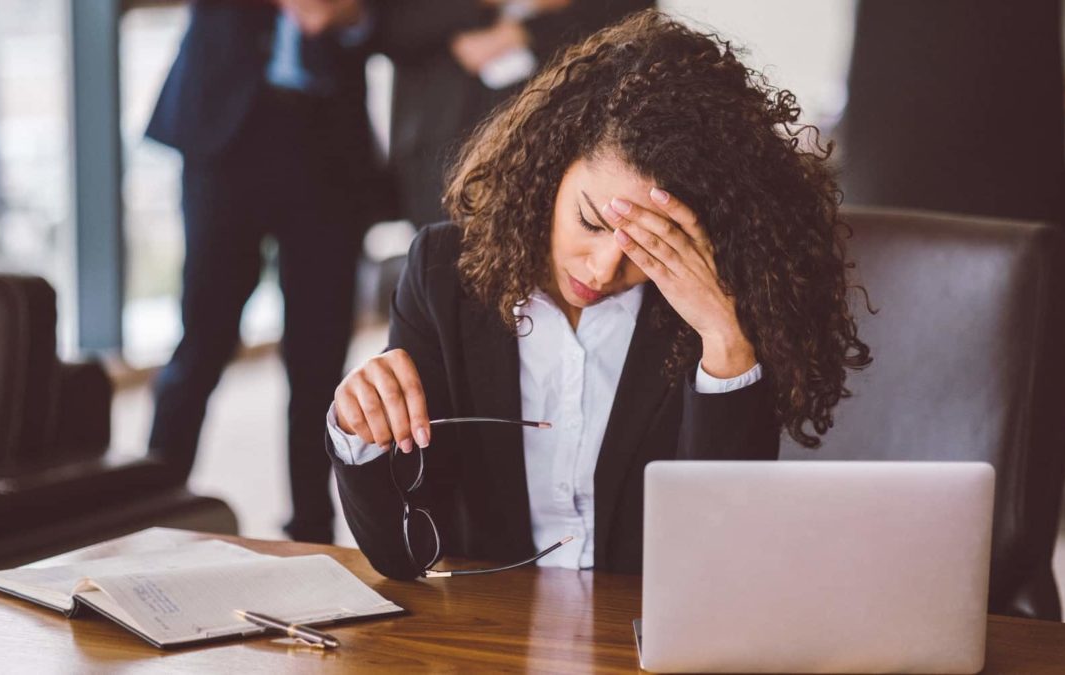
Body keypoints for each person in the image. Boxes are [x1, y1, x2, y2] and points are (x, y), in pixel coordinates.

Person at [326, 10, 871, 580]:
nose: (606, 268)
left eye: (648, 244)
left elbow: (718, 564)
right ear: (549, 168)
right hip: (490, 636)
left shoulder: (716, 305)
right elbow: (404, 554)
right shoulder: (444, 273)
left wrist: (724, 343)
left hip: (642, 644)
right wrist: (359, 430)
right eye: (590, 220)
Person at [145, 0, 385, 544]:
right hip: (226, 136)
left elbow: (390, 22)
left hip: (328, 145)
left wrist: (349, 14)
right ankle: (148, 505)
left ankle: (312, 525)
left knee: (320, 351)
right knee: (203, 337)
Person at [384, 0, 653, 228]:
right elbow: (386, 24)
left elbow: (636, 19)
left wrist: (527, 31)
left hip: (561, 137)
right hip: (440, 144)